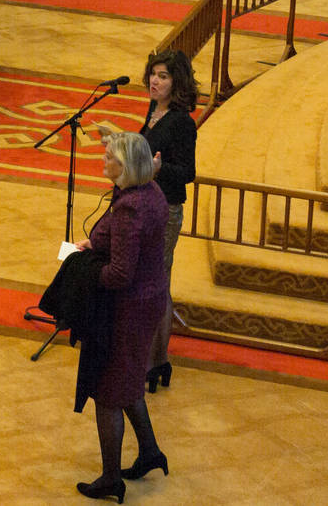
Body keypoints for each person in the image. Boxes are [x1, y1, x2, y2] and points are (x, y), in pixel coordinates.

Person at [74, 130, 171, 499]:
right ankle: (149, 452)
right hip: (147, 299)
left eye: (110, 157)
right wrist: (96, 243)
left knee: (108, 392)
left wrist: (83, 270)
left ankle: (111, 478)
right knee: (128, 382)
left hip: (129, 309)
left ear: (126, 166)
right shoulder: (150, 191)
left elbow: (119, 274)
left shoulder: (131, 207)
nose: (103, 161)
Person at [135, 52, 197, 392]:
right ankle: (149, 358)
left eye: (163, 76)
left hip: (166, 210)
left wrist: (159, 169)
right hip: (144, 204)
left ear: (177, 82)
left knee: (157, 283)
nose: (154, 81)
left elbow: (187, 172)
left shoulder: (182, 121)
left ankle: (156, 360)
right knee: (149, 281)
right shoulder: (154, 110)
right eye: (153, 75)